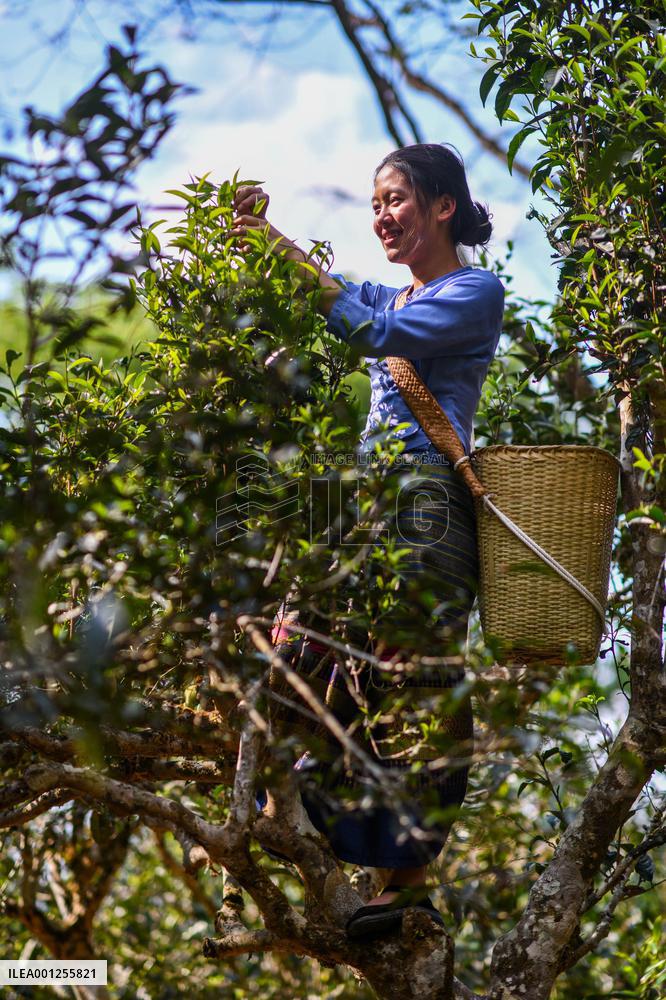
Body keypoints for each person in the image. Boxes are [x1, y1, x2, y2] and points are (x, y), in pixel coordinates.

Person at [230, 143, 504, 939]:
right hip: (361, 506)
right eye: (375, 204)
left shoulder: (472, 291)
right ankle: (301, 812)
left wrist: (301, 273)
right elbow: (346, 298)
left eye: (395, 199)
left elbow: (371, 327)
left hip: (425, 505)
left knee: (414, 683)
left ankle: (407, 881)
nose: (381, 216)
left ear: (442, 205)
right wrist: (260, 237)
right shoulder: (395, 289)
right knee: (297, 652)